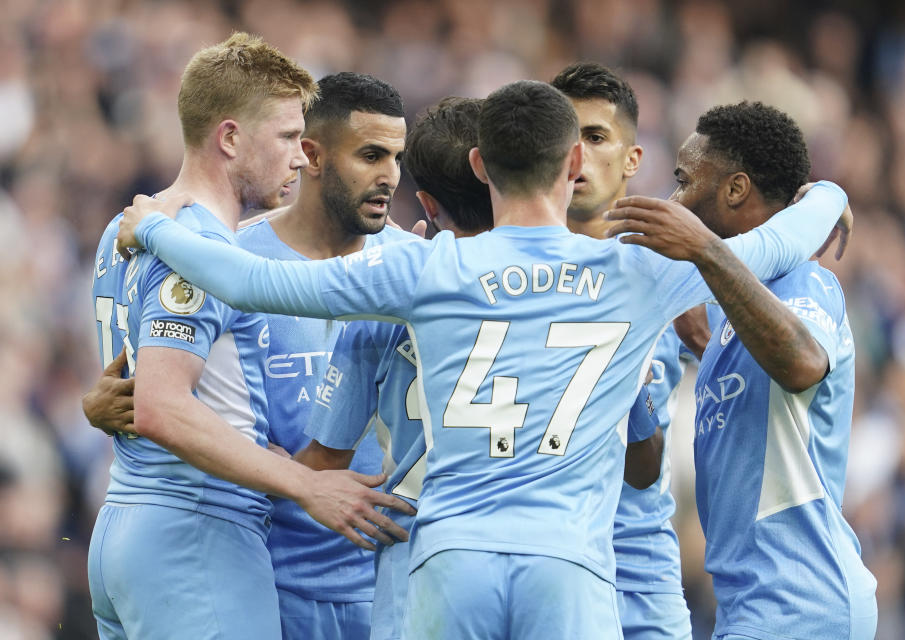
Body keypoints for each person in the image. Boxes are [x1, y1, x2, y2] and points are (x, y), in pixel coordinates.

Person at [116, 80, 849, 639]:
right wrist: (829, 194)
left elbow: (250, 279)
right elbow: (777, 244)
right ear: (573, 163)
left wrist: (158, 228)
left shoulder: (422, 268)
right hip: (567, 567)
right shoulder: (637, 271)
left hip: (450, 557)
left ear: (478, 162)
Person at [299, 96, 662, 640]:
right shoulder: (592, 297)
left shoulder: (387, 298)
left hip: (421, 572)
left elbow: (325, 461)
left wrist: (244, 468)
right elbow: (644, 464)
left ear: (427, 202)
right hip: (558, 564)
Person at [87, 33, 411, 640]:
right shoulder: (202, 249)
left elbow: (139, 377)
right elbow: (162, 402)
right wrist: (307, 484)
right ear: (230, 137)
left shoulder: (126, 229)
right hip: (198, 533)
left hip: (127, 523)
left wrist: (96, 405)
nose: (299, 156)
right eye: (289, 137)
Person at [670, 101, 877, 640]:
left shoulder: (804, 284)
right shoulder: (732, 315)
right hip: (756, 603)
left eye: (684, 180)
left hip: (800, 597)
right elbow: (708, 335)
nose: (675, 199)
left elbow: (803, 362)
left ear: (735, 189)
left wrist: (704, 251)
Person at [551, 61, 695, 639]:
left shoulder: (676, 273)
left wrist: (823, 197)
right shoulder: (504, 269)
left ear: (632, 159)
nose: (578, 156)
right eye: (565, 139)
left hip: (642, 567)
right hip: (549, 561)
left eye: (595, 137)